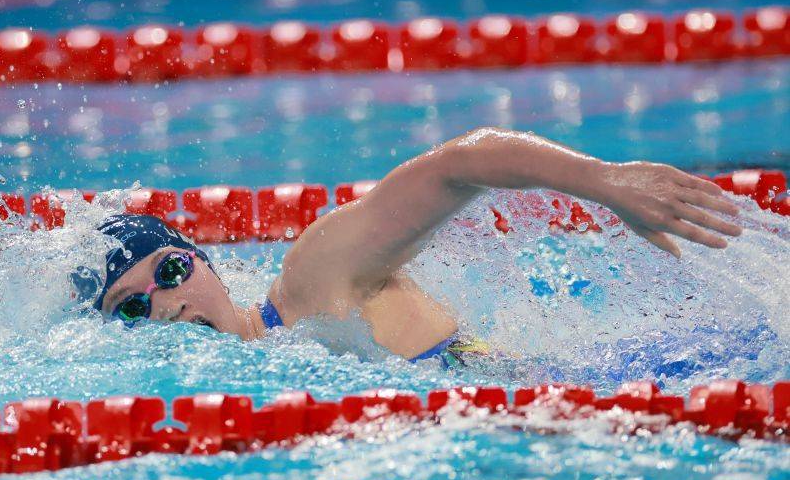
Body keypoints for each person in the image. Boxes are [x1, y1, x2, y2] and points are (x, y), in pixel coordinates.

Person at [71, 127, 742, 368]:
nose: (166, 304)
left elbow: (460, 163)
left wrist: (605, 183)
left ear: (206, 262)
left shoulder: (312, 280)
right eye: (131, 310)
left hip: (627, 381)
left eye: (172, 270)